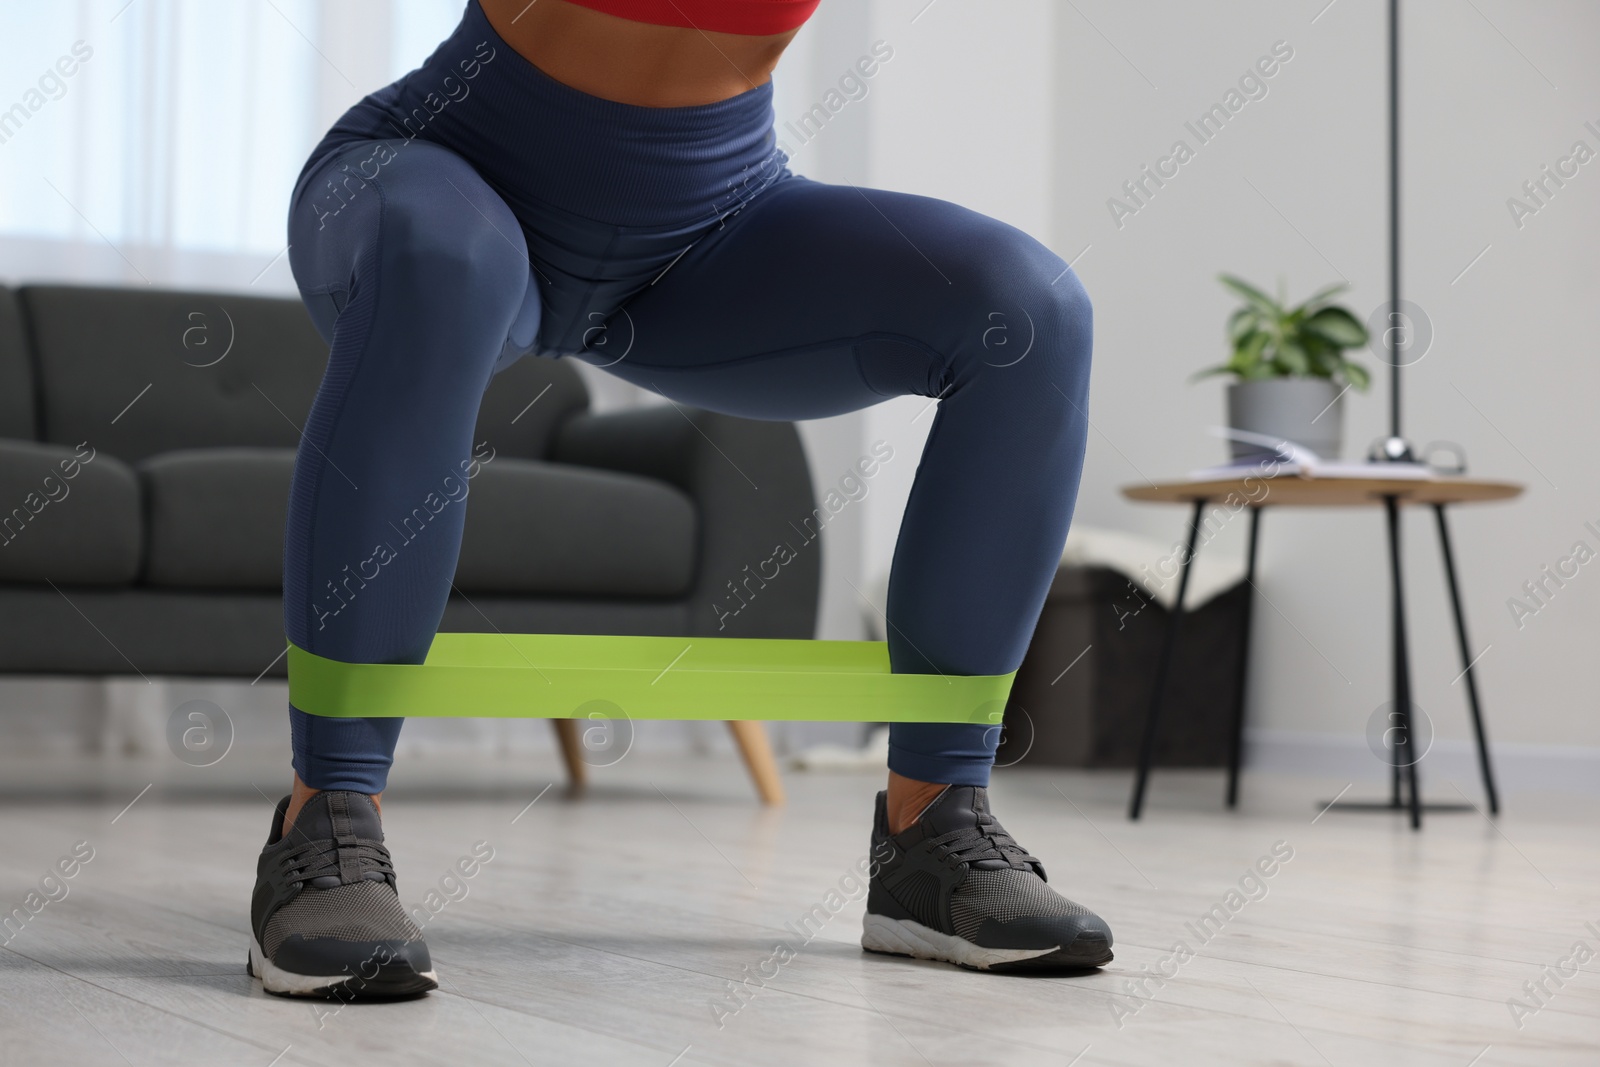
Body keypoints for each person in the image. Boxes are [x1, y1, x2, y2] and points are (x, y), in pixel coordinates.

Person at [250, 0, 1109, 998]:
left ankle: (933, 826)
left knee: (1031, 311)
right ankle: (328, 816)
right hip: (438, 174)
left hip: (708, 232)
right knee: (444, 259)